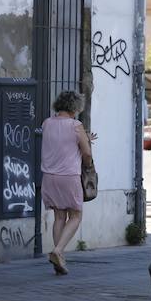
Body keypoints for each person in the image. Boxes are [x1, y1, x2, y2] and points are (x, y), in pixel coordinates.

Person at [41, 90, 96, 275]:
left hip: (49, 176)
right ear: (75, 107)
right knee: (76, 215)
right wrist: (88, 164)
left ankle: (59, 258)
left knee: (59, 217)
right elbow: (86, 153)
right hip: (69, 176)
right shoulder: (76, 125)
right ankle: (58, 251)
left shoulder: (47, 123)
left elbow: (61, 143)